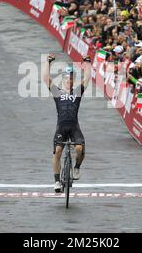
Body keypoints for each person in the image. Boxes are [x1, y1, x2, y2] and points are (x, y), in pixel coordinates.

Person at [43, 53, 92, 193]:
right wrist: (48, 62)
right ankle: (57, 181)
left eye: (71, 79)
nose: (69, 81)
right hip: (61, 128)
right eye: (66, 79)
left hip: (74, 126)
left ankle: (76, 167)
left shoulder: (77, 92)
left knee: (79, 149)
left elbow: (87, 78)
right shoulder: (57, 92)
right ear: (63, 80)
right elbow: (46, 78)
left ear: (73, 80)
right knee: (58, 151)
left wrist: (87, 62)